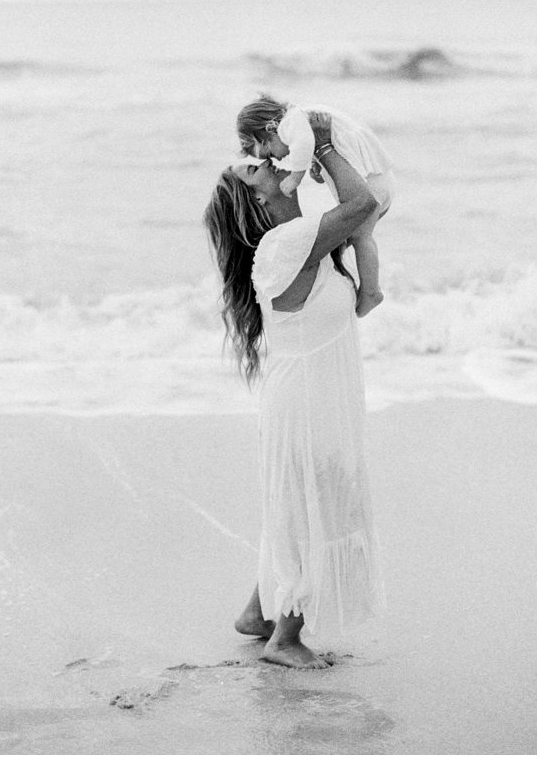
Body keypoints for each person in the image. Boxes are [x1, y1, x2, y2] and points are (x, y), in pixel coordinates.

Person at [203, 111, 385, 669]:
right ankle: (286, 638)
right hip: (306, 401)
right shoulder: (285, 246)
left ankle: (257, 615)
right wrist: (324, 143)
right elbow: (363, 205)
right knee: (313, 504)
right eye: (255, 169)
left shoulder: (303, 241)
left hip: (309, 391)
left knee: (292, 502)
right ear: (257, 203)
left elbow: (360, 228)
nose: (269, 161)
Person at [236, 96, 393, 317]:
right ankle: (370, 290)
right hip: (378, 181)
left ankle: (371, 291)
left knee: (361, 238)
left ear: (269, 130)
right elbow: (323, 147)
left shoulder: (291, 123)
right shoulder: (300, 121)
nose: (274, 160)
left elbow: (305, 144)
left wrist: (296, 176)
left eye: (269, 153)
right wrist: (320, 165)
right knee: (361, 237)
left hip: (371, 183)